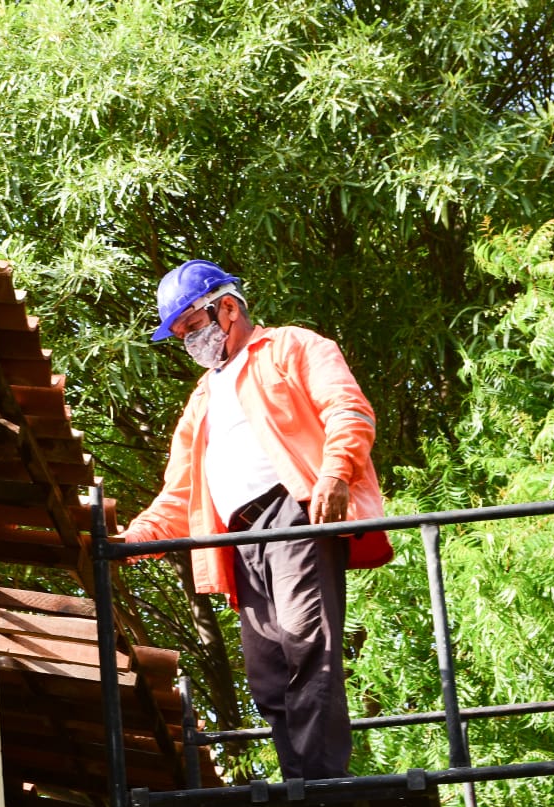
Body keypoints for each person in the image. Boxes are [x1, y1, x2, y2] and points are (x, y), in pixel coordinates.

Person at [119, 260, 391, 780]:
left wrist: (335, 474)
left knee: (306, 643)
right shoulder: (202, 398)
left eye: (191, 327)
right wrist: (130, 539)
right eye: (179, 335)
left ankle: (320, 783)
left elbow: (347, 409)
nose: (188, 342)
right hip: (239, 537)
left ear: (226, 309)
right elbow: (178, 493)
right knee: (267, 672)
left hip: (293, 511)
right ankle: (300, 783)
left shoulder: (292, 347)